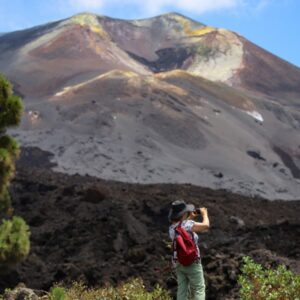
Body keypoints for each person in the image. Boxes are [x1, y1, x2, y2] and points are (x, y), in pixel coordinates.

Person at [169, 199, 210, 300]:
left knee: (182, 289)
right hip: (192, 262)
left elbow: (183, 227)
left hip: (179, 262)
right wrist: (204, 214)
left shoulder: (171, 228)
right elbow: (205, 226)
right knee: (199, 288)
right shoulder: (188, 224)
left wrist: (191, 217)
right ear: (183, 215)